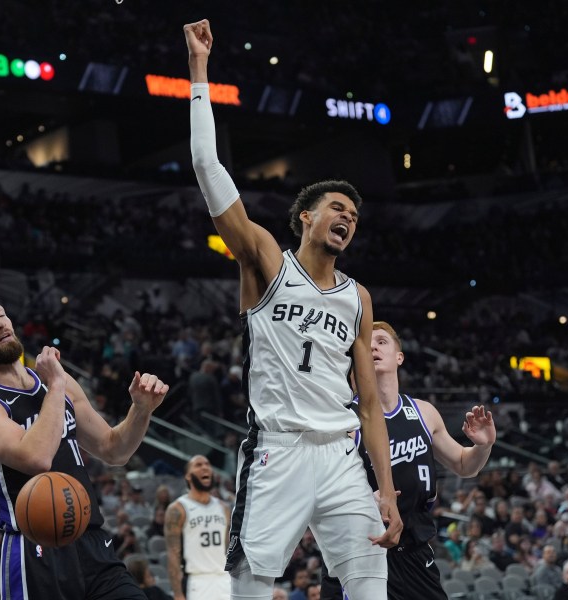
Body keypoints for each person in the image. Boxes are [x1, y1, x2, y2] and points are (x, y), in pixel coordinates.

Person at [184, 19, 402, 600]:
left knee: (369, 583)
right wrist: (200, 71)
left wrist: (386, 487)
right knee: (251, 584)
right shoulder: (266, 262)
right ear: (306, 217)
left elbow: (372, 405)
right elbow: (207, 168)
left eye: (354, 217)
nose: (347, 220)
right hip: (278, 448)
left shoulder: (358, 298)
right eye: (337, 208)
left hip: (341, 452)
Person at [0, 290, 170, 599]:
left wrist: (141, 410)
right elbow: (36, 458)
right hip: (33, 549)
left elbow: (114, 450)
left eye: (0, 314)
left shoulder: (55, 382)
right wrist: (57, 384)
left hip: (91, 539)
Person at [320, 321, 496, 600]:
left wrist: (483, 447)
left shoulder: (424, 413)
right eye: (366, 344)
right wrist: (362, 501)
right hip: (360, 552)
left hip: (414, 553)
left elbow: (464, 465)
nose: (373, 347)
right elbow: (320, 491)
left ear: (399, 357)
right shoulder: (343, 419)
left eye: (381, 341)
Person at [165, 455, 231, 600]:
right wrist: (177, 594)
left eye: (207, 464)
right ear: (188, 476)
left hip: (225, 579)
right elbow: (173, 554)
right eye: (198, 465)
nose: (205, 467)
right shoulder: (178, 509)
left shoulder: (223, 508)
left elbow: (228, 549)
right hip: (197, 581)